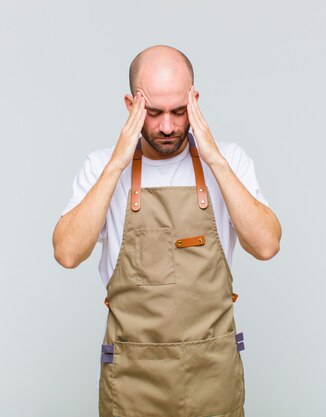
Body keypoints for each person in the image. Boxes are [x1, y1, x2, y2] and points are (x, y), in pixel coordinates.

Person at [52, 45, 282, 417]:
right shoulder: (101, 167)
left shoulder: (230, 160)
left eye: (179, 111)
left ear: (194, 100)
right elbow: (66, 253)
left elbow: (267, 245)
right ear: (131, 105)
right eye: (154, 112)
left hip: (213, 377)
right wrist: (116, 165)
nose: (168, 126)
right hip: (131, 383)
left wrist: (214, 160)